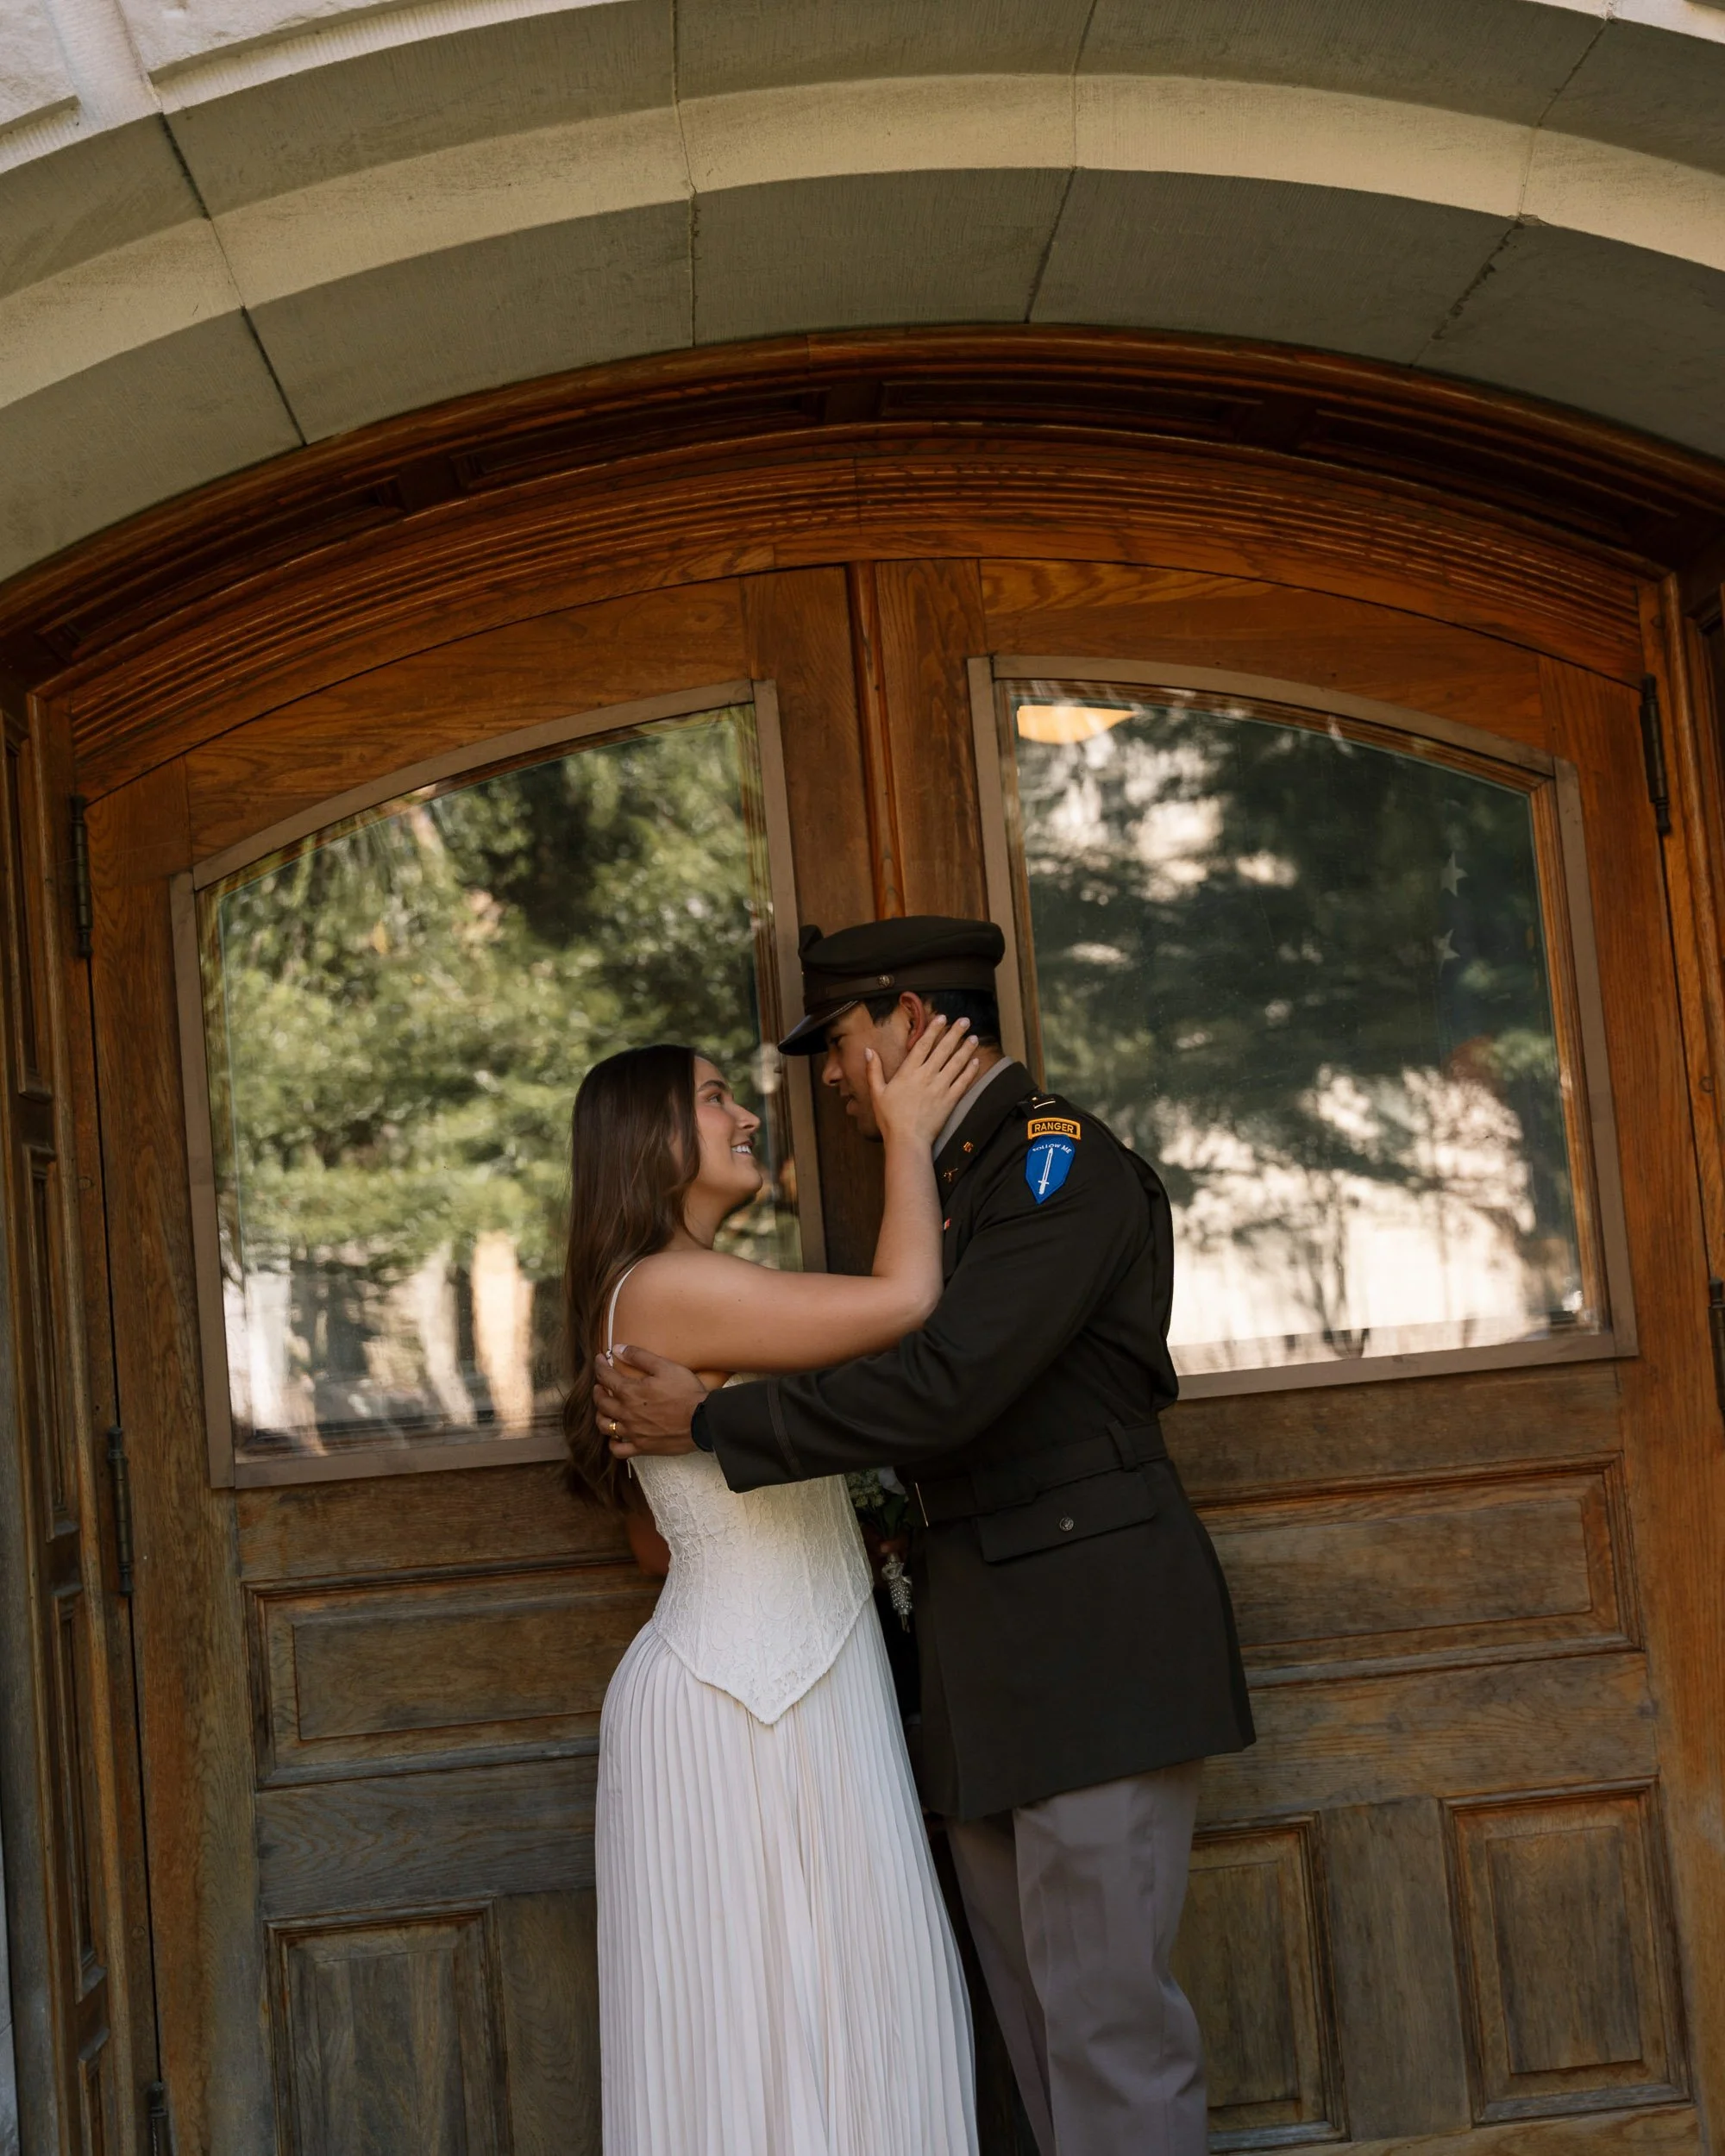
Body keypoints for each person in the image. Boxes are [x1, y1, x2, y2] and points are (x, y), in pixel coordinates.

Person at [595, 917, 1256, 2156]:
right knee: (1039, 2049)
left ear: (910, 1024)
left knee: (1110, 2040)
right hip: (989, 1671)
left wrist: (713, 1419)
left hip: (1092, 1656)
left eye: (841, 1044)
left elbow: (951, 1381)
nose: (829, 1079)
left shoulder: (1055, 1167)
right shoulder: (950, 1190)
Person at [564, 1025, 985, 2156]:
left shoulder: (671, 1289)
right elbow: (906, 1300)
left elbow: (659, 1540)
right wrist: (905, 1131)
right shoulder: (668, 1286)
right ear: (646, 1137)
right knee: (776, 2024)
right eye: (713, 1100)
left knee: (840, 2011)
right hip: (743, 1703)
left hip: (796, 1678)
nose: (745, 1116)